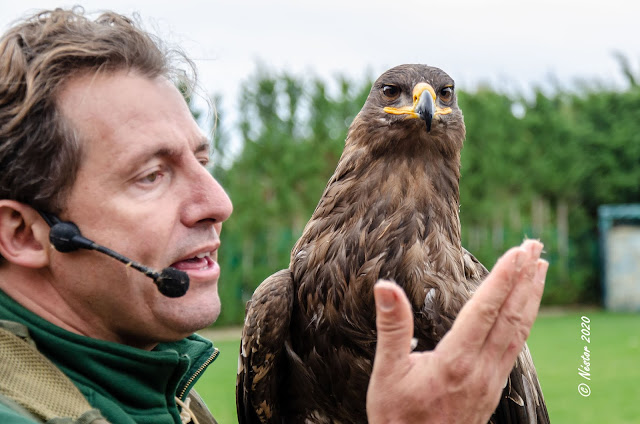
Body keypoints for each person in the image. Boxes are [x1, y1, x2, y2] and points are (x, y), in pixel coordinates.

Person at [0, 7, 547, 424]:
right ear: (25, 233)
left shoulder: (156, 391)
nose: (219, 204)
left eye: (202, 160)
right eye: (151, 175)